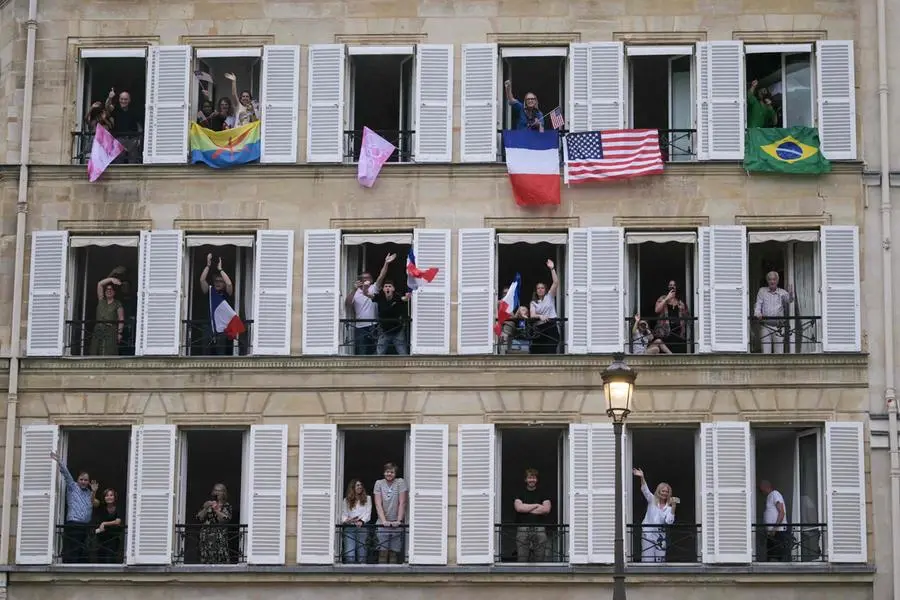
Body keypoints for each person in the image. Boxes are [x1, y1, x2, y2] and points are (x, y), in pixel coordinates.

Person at [50, 451, 99, 564]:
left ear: (88, 482)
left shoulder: (89, 493)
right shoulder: (72, 487)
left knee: (83, 552)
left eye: (86, 480)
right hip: (73, 524)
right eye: (81, 479)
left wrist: (94, 492)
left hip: (85, 526)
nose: (83, 482)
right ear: (77, 479)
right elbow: (66, 474)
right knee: (72, 552)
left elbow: (95, 504)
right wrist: (59, 461)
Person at [633, 468, 676, 562]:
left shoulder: (668, 508)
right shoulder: (652, 500)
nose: (664, 493)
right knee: (647, 560)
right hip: (648, 534)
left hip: (660, 537)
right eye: (663, 491)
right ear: (658, 491)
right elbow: (645, 490)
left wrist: (673, 507)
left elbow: (669, 522)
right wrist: (642, 477)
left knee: (660, 561)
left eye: (667, 491)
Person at [371, 254, 409, 356]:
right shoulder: (380, 297)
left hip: (397, 330)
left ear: (393, 289)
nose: (387, 288)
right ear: (383, 289)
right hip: (384, 330)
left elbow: (404, 299)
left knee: (403, 354)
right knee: (379, 354)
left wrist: (408, 296)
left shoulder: (397, 297)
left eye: (389, 286)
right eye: (386, 286)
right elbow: (368, 295)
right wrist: (365, 288)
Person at [199, 254, 235, 356]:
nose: (218, 283)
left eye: (220, 281)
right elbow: (202, 280)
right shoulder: (210, 291)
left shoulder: (227, 293)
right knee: (205, 352)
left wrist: (220, 269)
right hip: (208, 325)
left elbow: (229, 284)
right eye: (216, 281)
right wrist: (208, 266)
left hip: (222, 326)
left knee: (221, 352)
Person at [513, 468, 552, 562]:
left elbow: (546, 509)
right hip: (523, 529)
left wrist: (526, 508)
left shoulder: (543, 493)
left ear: (537, 479)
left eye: (534, 477)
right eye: (529, 477)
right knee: (522, 558)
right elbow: (519, 508)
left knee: (540, 559)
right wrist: (536, 505)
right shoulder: (519, 493)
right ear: (525, 480)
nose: (532, 480)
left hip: (539, 529)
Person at [373, 462, 408, 563]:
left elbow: (402, 502)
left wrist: (398, 520)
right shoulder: (379, 483)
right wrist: (384, 521)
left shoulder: (400, 482)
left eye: (392, 472)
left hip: (395, 523)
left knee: (393, 552)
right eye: (387, 472)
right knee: (383, 552)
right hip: (382, 522)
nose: (389, 474)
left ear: (395, 473)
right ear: (384, 473)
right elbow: (378, 504)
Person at [754, 271, 795, 354]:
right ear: (767, 281)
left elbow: (789, 300)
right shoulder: (762, 291)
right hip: (765, 326)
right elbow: (758, 304)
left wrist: (791, 294)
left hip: (778, 327)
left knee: (779, 353)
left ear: (777, 281)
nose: (772, 281)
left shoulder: (782, 292)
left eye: (774, 279)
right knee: (766, 353)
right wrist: (757, 312)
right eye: (770, 279)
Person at [105, 88, 143, 163]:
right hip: (119, 139)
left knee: (133, 160)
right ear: (119, 100)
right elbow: (107, 107)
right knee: (118, 161)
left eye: (125, 99)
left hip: (132, 139)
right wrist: (110, 98)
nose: (123, 101)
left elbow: (139, 125)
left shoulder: (134, 110)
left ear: (129, 100)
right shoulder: (116, 109)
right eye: (122, 99)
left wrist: (139, 138)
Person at [345, 270, 378, 355]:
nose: (365, 280)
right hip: (360, 327)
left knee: (375, 352)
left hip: (374, 326)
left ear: (371, 279)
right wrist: (354, 289)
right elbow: (347, 304)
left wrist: (386, 263)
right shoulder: (355, 292)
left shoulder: (373, 288)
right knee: (361, 352)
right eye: (362, 278)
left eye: (367, 278)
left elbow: (381, 276)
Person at [197, 483, 232, 564]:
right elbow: (199, 518)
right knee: (206, 557)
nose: (217, 492)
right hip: (206, 535)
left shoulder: (226, 505)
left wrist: (216, 509)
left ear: (224, 493)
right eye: (215, 490)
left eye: (219, 491)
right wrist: (205, 508)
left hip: (219, 536)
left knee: (220, 557)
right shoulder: (207, 504)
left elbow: (225, 519)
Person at [530, 259, 559, 354]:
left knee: (551, 352)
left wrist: (552, 269)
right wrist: (540, 316)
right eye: (538, 288)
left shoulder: (549, 296)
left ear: (545, 289)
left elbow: (555, 283)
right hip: (539, 329)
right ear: (536, 290)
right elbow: (532, 315)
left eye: (542, 288)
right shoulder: (533, 302)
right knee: (537, 353)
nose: (540, 290)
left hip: (551, 327)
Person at [89, 276, 125, 356]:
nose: (109, 291)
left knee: (109, 352)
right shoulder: (101, 300)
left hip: (111, 330)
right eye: (107, 289)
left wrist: (119, 333)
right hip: (98, 329)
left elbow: (121, 318)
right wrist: (111, 279)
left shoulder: (117, 303)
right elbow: (100, 284)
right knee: (95, 351)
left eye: (111, 289)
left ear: (114, 292)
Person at [654, 280, 691, 353]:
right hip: (665, 332)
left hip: (678, 333)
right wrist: (667, 298)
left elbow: (687, 317)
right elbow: (657, 310)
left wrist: (683, 310)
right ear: (668, 287)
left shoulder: (680, 301)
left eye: (674, 285)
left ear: (676, 287)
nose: (672, 286)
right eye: (670, 285)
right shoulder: (662, 298)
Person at [341, 479, 372, 563]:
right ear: (352, 487)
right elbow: (344, 514)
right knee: (350, 554)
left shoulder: (367, 498)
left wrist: (361, 521)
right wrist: (347, 520)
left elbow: (368, 513)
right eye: (357, 485)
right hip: (350, 528)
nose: (360, 487)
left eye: (361, 485)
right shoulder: (346, 500)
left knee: (362, 554)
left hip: (362, 528)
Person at [760, 480, 791, 561]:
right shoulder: (770, 496)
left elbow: (781, 512)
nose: (760, 491)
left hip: (778, 532)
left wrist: (774, 528)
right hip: (773, 533)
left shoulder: (775, 494)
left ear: (764, 487)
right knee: (771, 557)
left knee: (777, 558)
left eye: (760, 488)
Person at [94, 488, 123, 563]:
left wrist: (104, 523)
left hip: (113, 538)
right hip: (102, 538)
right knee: (101, 559)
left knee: (111, 559)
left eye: (111, 495)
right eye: (107, 495)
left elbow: (118, 522)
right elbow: (93, 502)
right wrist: (94, 491)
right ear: (104, 498)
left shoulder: (118, 508)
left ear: (114, 497)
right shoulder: (101, 508)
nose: (109, 497)